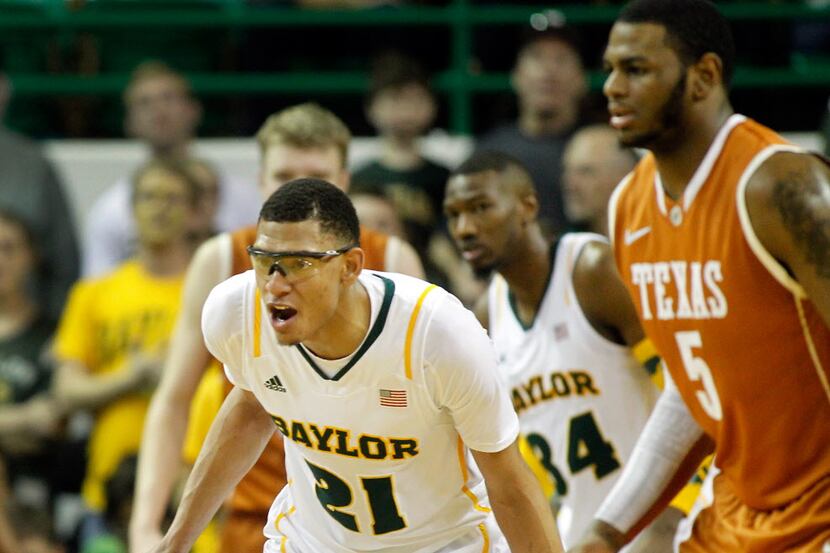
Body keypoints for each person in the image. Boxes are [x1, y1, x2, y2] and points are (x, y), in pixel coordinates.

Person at [149, 177, 562, 553]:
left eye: (298, 264)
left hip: (443, 544)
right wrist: (176, 541)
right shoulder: (234, 312)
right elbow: (250, 406)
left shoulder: (437, 334)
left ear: (350, 267)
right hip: (312, 542)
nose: (275, 285)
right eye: (264, 260)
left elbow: (509, 482)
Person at [571, 1, 830, 551]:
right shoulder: (628, 209)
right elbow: (694, 386)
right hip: (735, 511)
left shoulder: (784, 188)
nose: (612, 87)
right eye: (610, 68)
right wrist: (603, 532)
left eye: (636, 69)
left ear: (703, 76)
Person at [130, 103, 424, 553]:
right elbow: (173, 400)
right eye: (284, 176)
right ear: (262, 183)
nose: (299, 190)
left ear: (344, 183)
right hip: (252, 512)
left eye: (316, 177)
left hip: (370, 519)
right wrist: (146, 523)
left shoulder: (392, 259)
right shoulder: (222, 260)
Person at [444, 151, 688, 550]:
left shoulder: (591, 271)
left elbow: (688, 393)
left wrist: (674, 514)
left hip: (665, 523)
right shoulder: (488, 314)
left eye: (481, 207)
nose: (465, 228)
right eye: (453, 215)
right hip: (582, 533)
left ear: (527, 206)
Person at [52, 159, 201, 546]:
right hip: (106, 494)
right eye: (149, 196)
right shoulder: (94, 294)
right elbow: (66, 391)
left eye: (173, 197)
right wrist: (131, 377)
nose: (160, 206)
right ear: (132, 208)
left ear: (193, 211)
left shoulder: (212, 292)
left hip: (195, 492)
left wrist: (176, 373)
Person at [82, 61, 260, 277]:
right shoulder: (110, 210)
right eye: (145, 102)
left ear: (194, 110)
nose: (159, 110)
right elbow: (98, 283)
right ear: (129, 121)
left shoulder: (244, 197)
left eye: (168, 98)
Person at [476, 27, 589, 236]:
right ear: (516, 75)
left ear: (582, 79)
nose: (549, 71)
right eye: (537, 57)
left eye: (561, 59)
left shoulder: (602, 150)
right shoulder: (489, 152)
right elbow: (447, 237)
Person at [353, 51, 450, 284]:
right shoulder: (361, 178)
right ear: (372, 107)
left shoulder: (444, 178)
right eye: (396, 99)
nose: (406, 110)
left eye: (416, 99)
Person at [0, 63, 80, 322]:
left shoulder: (33, 165)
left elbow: (64, 259)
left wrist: (51, 328)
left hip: (27, 326)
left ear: (4, 93)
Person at [0, 210, 64, 513]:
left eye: (8, 248)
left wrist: (32, 422)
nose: (0, 259)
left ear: (30, 256)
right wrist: (21, 419)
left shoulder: (52, 335)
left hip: (30, 498)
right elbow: (31, 419)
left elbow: (49, 422)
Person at [561, 125, 639, 236]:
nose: (570, 185)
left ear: (624, 177)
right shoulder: (565, 247)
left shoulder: (654, 238)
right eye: (567, 171)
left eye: (585, 172)